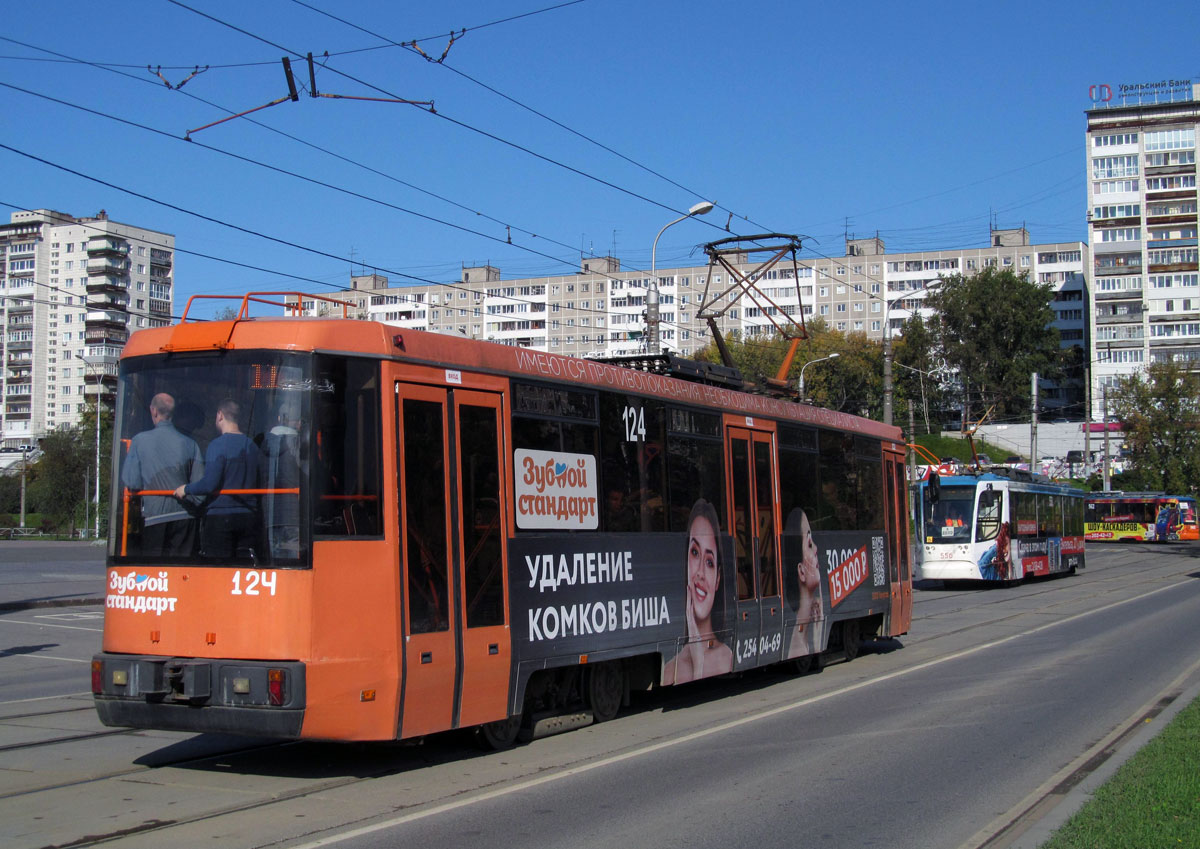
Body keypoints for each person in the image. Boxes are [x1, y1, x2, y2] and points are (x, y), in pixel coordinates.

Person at [175, 398, 261, 558]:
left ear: (220, 415)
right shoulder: (252, 446)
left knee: (219, 565)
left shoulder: (218, 445)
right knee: (244, 564)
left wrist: (185, 489)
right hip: (249, 515)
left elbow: (209, 484)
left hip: (221, 516)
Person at [121, 392, 204, 556]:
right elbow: (200, 490)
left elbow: (132, 482)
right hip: (185, 518)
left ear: (153, 411)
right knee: (182, 568)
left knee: (156, 568)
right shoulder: (190, 444)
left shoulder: (139, 441)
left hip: (154, 518)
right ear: (173, 413)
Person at [664, 499, 733, 683]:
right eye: (695, 553)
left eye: (709, 562)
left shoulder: (726, 657)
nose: (701, 573)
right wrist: (697, 663)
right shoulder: (670, 669)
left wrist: (699, 663)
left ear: (718, 578)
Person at [261, 400, 304, 558]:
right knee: (293, 561)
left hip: (270, 513)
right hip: (293, 514)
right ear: (298, 422)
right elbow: (304, 477)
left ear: (279, 418)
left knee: (275, 558)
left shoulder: (263, 444)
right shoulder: (299, 444)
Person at [785, 508, 826, 659]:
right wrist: (818, 640)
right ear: (801, 571)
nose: (816, 549)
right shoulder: (798, 648)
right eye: (809, 544)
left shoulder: (805, 637)